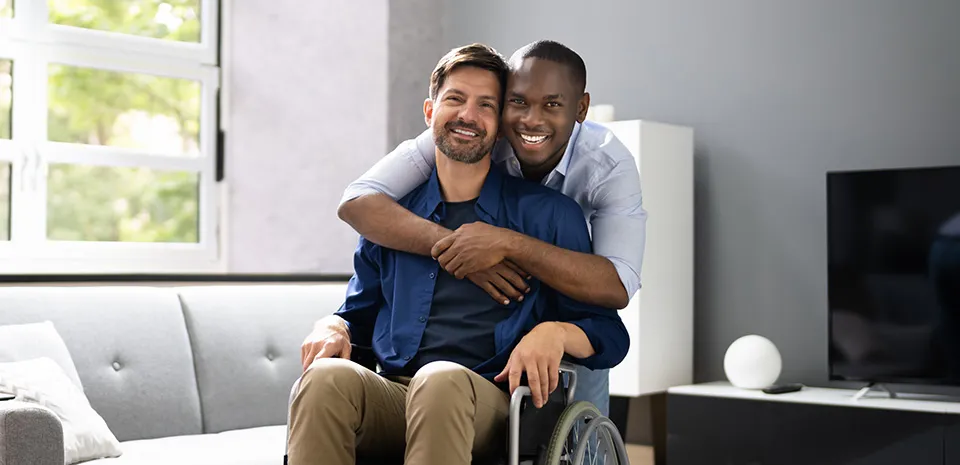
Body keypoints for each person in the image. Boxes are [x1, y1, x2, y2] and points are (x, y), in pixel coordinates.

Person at [289, 43, 629, 465]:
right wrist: (333, 324)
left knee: (441, 379)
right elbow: (357, 316)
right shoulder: (393, 217)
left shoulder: (549, 216)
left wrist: (556, 332)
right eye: (455, 99)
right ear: (431, 112)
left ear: (501, 124)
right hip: (397, 393)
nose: (468, 115)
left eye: (485, 105)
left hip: (495, 405)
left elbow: (610, 333)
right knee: (325, 379)